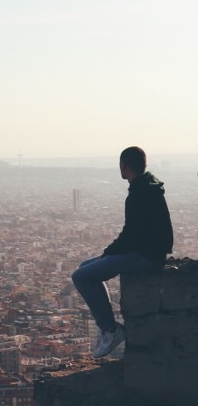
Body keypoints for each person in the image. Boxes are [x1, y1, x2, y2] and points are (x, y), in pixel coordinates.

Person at [72, 146, 173, 358]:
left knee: (80, 276)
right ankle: (108, 326)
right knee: (85, 268)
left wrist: (109, 252)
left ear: (124, 166)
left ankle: (110, 329)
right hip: (148, 252)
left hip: (144, 256)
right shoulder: (149, 187)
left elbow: (131, 234)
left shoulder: (139, 193)